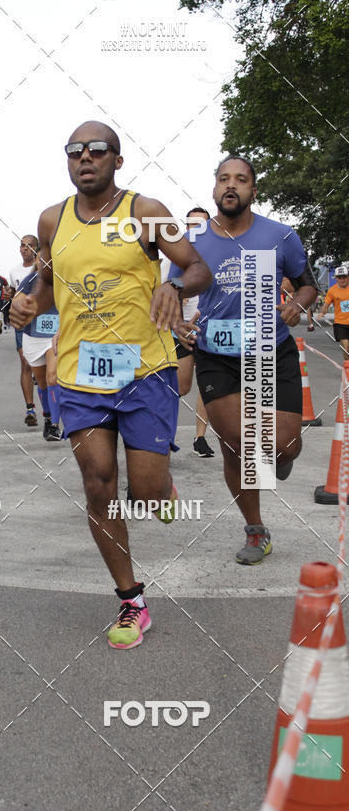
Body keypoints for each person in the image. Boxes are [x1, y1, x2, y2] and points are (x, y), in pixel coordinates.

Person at [11, 120, 211, 650]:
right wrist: (30, 300)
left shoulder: (145, 212)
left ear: (117, 160)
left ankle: (160, 487)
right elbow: (50, 284)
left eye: (97, 150)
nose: (85, 158)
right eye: (75, 150)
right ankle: (131, 600)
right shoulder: (52, 220)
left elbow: (198, 269)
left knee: (142, 495)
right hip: (79, 372)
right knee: (98, 482)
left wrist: (171, 283)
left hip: (145, 370)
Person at [170, 156, 318, 565]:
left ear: (254, 190)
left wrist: (297, 305)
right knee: (236, 444)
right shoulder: (193, 240)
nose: (230, 186)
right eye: (223, 179)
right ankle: (256, 530)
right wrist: (176, 325)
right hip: (217, 354)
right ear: (214, 189)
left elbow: (309, 286)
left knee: (282, 444)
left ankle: (280, 454)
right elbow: (173, 292)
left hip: (272, 348)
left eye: (241, 179)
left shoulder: (280, 235)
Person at [168, 208, 215, 458]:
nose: (194, 229)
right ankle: (163, 432)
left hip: (210, 331)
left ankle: (200, 438)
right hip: (181, 332)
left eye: (200, 225)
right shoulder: (175, 256)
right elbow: (164, 289)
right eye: (190, 224)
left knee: (208, 387)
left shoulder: (215, 255)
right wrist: (178, 298)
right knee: (181, 387)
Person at [19, 265, 61, 440]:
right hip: (34, 337)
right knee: (43, 382)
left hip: (56, 336)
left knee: (53, 377)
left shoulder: (63, 276)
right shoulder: (30, 280)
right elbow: (17, 300)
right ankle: (47, 416)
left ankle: (55, 426)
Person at [9, 235, 39, 426]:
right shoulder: (14, 271)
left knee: (46, 368)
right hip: (24, 324)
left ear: (37, 248)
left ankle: (52, 412)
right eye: (22, 245)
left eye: (29, 246)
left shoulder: (45, 268)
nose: (25, 249)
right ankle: (30, 408)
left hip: (45, 321)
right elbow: (13, 295)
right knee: (26, 363)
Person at [316, 265, 349, 358]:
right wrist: (322, 312)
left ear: (348, 277)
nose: (342, 280)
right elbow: (326, 305)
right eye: (339, 277)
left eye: (344, 277)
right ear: (336, 278)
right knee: (346, 347)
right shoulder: (332, 290)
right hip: (341, 323)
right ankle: (347, 367)